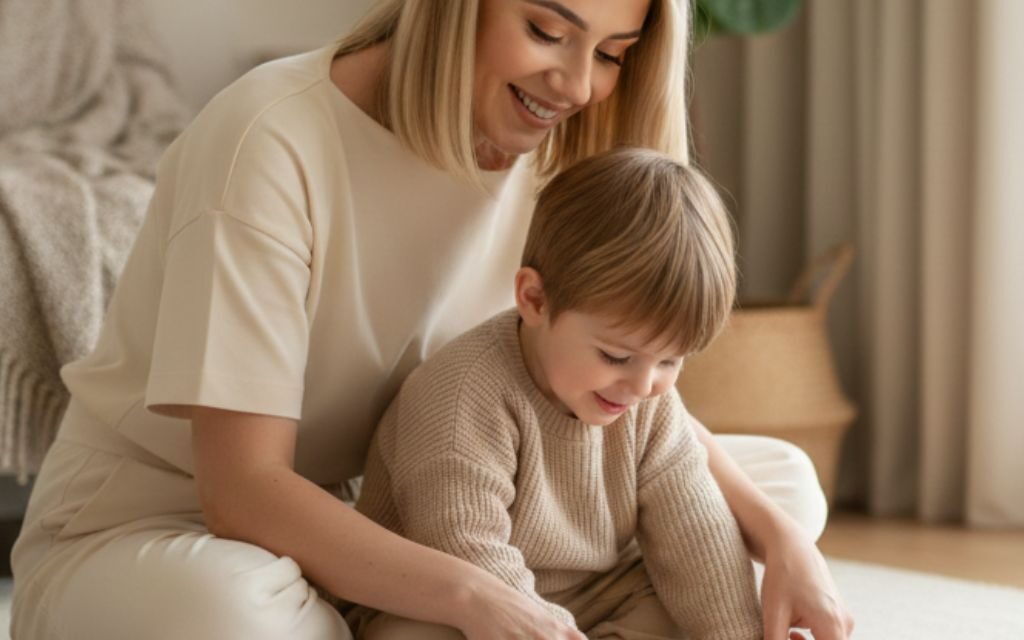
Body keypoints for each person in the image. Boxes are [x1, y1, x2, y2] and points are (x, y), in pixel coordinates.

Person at [10, 1, 854, 639]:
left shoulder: (552, 144)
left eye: (611, 54)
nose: (575, 83)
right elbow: (243, 493)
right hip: (180, 529)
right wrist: (480, 597)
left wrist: (782, 541)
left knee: (776, 479)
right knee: (233, 613)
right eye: (546, 30)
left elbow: (643, 415)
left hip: (404, 504)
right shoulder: (270, 139)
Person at [347, 147, 763, 640]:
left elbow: (698, 535)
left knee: (692, 589)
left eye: (671, 361)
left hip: (599, 591)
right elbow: (466, 548)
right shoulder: (461, 396)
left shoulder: (649, 400)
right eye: (615, 356)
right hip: (460, 597)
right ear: (535, 300)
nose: (645, 386)